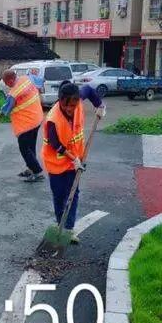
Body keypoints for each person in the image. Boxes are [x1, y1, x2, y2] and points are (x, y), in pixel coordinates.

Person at [41, 81, 105, 244]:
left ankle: (68, 229)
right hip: (56, 163)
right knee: (59, 195)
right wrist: (73, 158)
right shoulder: (53, 119)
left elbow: (88, 89)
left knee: (73, 192)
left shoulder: (77, 99)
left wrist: (99, 105)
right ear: (60, 100)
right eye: (66, 105)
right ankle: (60, 226)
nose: (70, 109)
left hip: (75, 160)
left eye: (73, 105)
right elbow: (55, 145)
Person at [0, 69, 45, 182]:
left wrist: (2, 112)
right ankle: (31, 169)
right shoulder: (26, 79)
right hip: (37, 118)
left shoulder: (14, 92)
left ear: (10, 81)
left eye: (6, 83)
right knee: (30, 147)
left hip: (27, 124)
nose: (6, 85)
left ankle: (37, 172)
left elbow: (7, 107)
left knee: (24, 148)